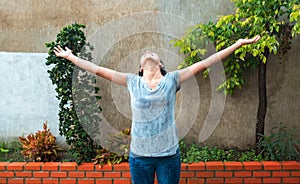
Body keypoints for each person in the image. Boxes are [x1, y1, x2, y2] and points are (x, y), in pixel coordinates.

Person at [54, 35, 261, 184]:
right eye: (144, 54)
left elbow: (206, 63)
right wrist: (72, 57)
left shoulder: (172, 80)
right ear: (141, 67)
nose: (148, 52)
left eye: (153, 53)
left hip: (168, 156)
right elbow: (100, 70)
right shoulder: (132, 81)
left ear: (161, 64)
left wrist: (237, 44)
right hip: (139, 157)